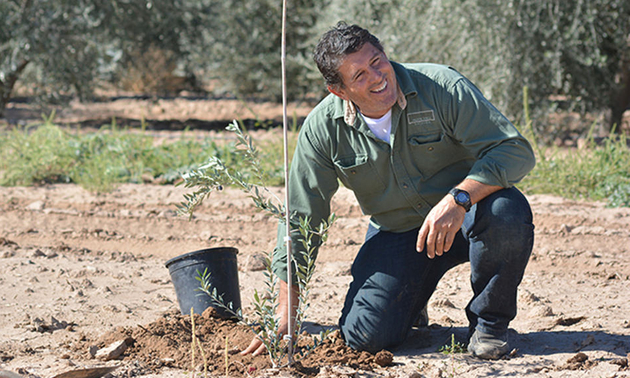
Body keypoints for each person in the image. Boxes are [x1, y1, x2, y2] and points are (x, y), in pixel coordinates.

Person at [242, 21, 535, 360]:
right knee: (364, 337)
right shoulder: (322, 130)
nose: (378, 77)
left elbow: (514, 151)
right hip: (400, 233)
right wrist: (285, 312)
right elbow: (301, 218)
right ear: (338, 91)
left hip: (469, 215)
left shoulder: (441, 86)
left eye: (377, 61)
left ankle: (489, 325)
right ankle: (413, 299)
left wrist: (459, 198)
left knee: (506, 212)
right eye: (359, 75)